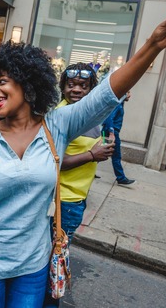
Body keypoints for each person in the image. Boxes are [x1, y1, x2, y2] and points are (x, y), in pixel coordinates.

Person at [0, 6, 166, 306]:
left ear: (27, 84)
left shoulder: (56, 126)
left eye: (2, 81)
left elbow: (107, 94)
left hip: (30, 269)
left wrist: (153, 45)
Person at [43, 63, 115, 307]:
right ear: (62, 87)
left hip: (76, 200)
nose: (76, 89)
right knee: (53, 264)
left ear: (92, 88)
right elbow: (52, 161)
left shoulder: (93, 116)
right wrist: (92, 156)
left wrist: (106, 144)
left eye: (83, 86)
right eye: (71, 84)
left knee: (55, 260)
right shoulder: (60, 115)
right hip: (61, 203)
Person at [102, 91, 136, 186]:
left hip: (107, 132)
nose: (130, 95)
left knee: (103, 152)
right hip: (112, 133)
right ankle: (121, 178)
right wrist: (112, 133)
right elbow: (109, 118)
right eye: (128, 92)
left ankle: (90, 170)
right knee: (116, 156)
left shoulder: (119, 103)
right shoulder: (117, 104)